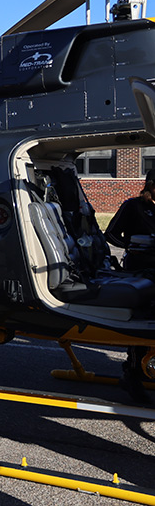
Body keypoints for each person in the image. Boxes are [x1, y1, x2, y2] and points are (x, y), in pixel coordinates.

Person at [104, 172, 155, 403]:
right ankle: (132, 374)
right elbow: (111, 233)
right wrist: (133, 245)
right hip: (137, 270)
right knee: (141, 322)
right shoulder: (133, 206)